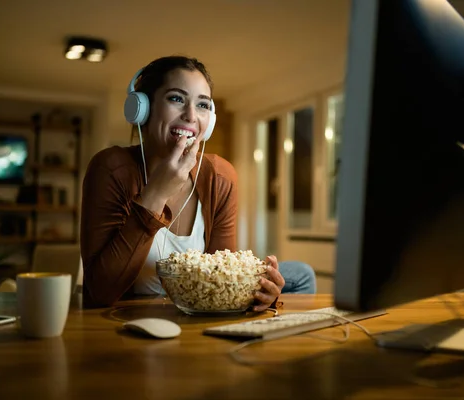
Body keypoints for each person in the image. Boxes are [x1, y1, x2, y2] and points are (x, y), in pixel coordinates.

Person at [80, 55, 316, 309]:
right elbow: (99, 292)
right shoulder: (112, 168)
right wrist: (156, 194)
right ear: (142, 109)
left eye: (203, 105)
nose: (191, 116)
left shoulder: (220, 176)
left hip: (196, 309)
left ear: (210, 121)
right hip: (133, 309)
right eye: (176, 99)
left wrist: (258, 295)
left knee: (301, 274)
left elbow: (220, 278)